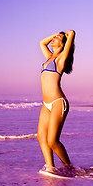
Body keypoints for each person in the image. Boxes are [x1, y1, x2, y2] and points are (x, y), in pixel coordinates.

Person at [37, 30, 75, 173]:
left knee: (53, 141)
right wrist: (55, 35)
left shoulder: (61, 58)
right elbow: (41, 43)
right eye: (54, 37)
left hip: (58, 102)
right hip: (46, 104)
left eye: (58, 38)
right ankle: (50, 167)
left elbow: (71, 34)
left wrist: (68, 35)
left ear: (63, 44)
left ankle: (70, 168)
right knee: (41, 137)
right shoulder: (49, 57)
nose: (53, 39)